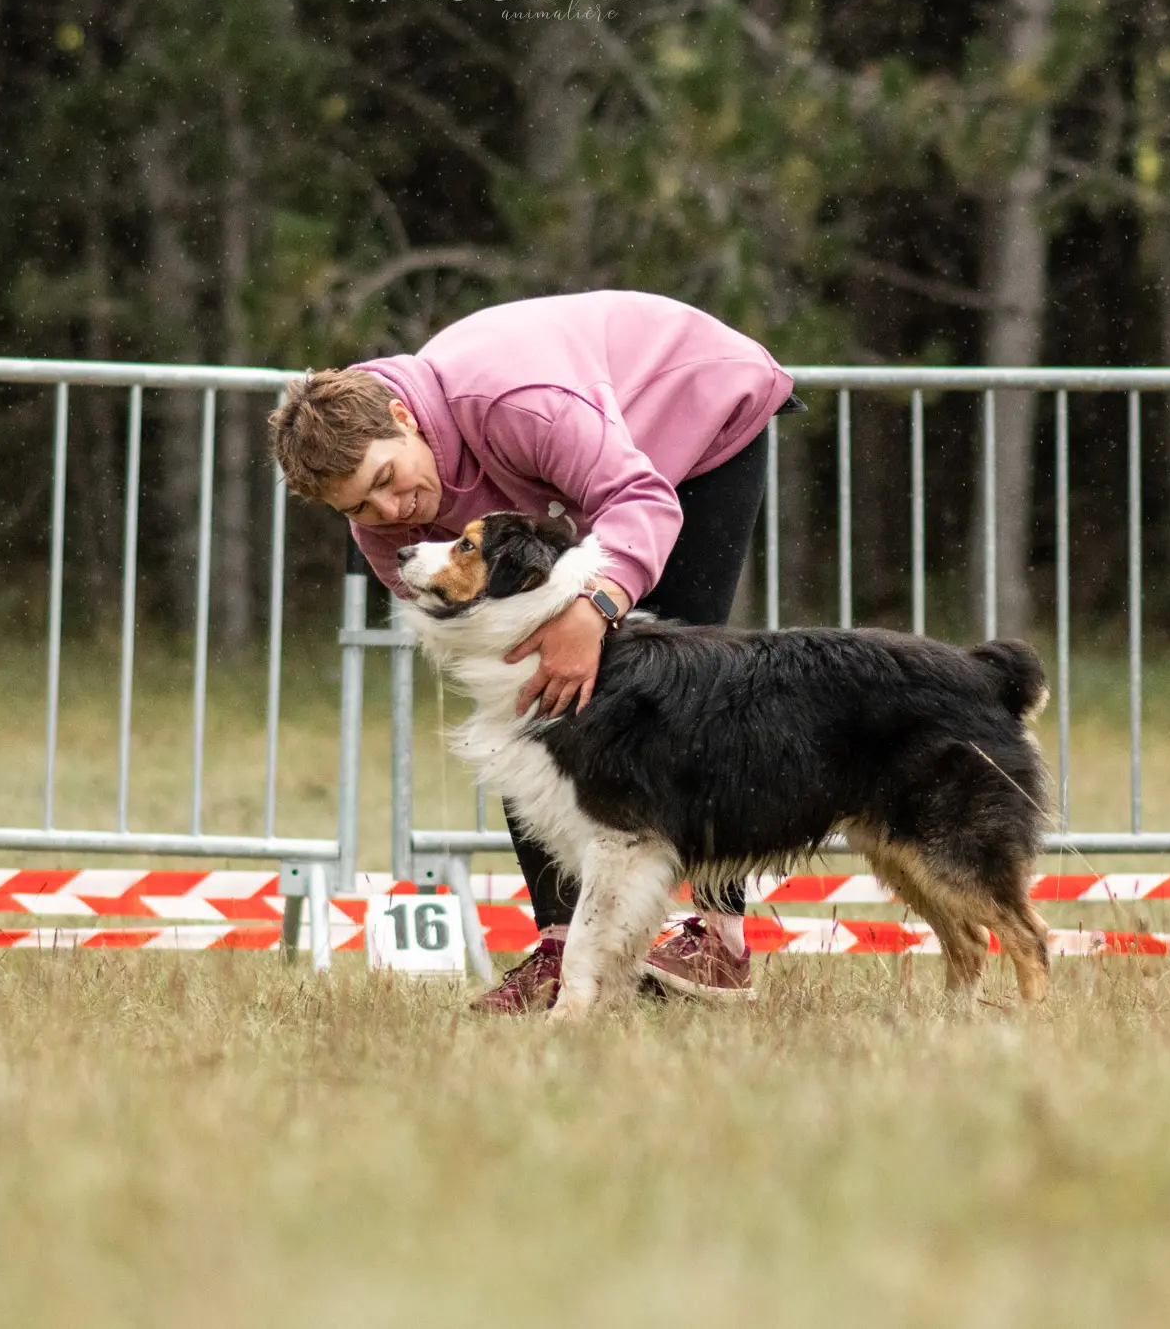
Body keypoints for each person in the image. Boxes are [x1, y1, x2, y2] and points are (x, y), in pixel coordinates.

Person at [268, 290, 798, 1013]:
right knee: (525, 697)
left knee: (684, 688)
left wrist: (599, 608)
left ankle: (721, 940)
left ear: (401, 417)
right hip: (582, 479)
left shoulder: (515, 400)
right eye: (360, 506)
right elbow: (483, 659)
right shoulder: (382, 526)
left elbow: (638, 495)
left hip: (693, 418)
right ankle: (559, 946)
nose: (390, 513)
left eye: (388, 480)